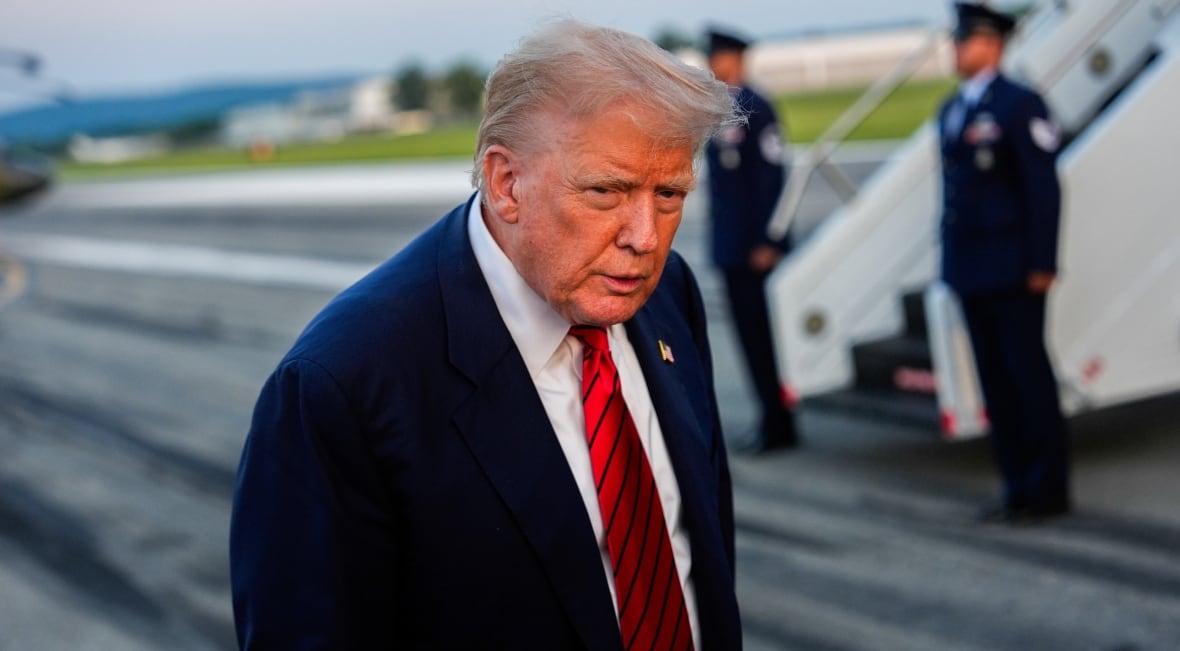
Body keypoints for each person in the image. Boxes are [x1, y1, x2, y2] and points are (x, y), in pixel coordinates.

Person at [230, 20, 744, 650]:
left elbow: (701, 543)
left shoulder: (666, 294)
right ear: (506, 184)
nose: (645, 236)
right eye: (606, 191)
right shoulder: (343, 382)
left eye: (669, 193)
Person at [938, 2, 1071, 523]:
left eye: (964, 40)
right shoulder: (953, 107)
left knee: (1027, 378)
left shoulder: (1020, 104)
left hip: (1015, 270)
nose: (956, 48)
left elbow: (1042, 189)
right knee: (995, 381)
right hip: (971, 268)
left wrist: (1043, 261)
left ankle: (1048, 489)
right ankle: (1017, 484)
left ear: (992, 45)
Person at [703, 28, 797, 453]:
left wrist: (769, 239)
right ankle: (769, 418)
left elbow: (771, 176)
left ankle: (780, 422)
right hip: (731, 246)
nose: (713, 63)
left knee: (766, 336)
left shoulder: (757, 107)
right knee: (748, 338)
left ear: (737, 59)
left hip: (757, 249)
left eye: (719, 56)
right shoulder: (718, 109)